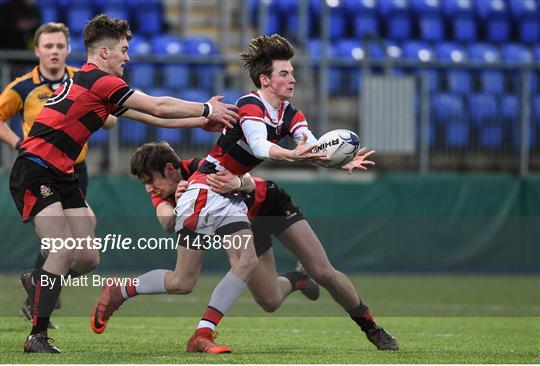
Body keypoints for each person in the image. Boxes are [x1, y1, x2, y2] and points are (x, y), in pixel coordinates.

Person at [91, 34, 384, 355]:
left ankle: (196, 329)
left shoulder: (291, 114)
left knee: (259, 285)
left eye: (292, 72)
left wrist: (336, 159)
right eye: (284, 73)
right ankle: (185, 324)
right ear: (265, 80)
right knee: (187, 280)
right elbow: (261, 146)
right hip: (212, 190)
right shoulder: (250, 105)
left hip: (237, 194)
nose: (293, 79)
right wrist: (297, 155)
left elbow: (309, 146)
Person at [10, 13, 238, 354]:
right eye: (123, 49)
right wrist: (206, 107)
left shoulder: (96, 84)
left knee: (87, 258)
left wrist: (200, 119)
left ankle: (39, 280)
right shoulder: (101, 82)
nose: (127, 57)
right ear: (104, 53)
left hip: (62, 173)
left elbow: (148, 115)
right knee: (61, 249)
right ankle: (36, 336)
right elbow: (158, 106)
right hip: (35, 168)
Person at [0, 22, 116, 329]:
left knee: (83, 240)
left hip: (75, 170)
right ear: (37, 50)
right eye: (48, 46)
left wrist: (100, 114)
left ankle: (37, 286)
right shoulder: (23, 86)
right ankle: (39, 308)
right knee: (60, 243)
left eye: (60, 46)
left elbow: (113, 118)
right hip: (40, 168)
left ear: (68, 49)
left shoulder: (83, 79)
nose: (54, 52)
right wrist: (17, 143)